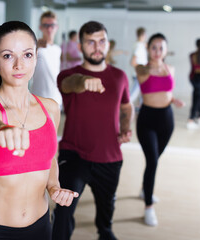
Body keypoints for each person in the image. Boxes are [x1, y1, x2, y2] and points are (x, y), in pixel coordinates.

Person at [0, 21, 78, 240]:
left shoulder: (50, 108)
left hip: (41, 228)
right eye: (8, 56)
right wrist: (1, 131)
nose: (19, 65)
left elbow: (50, 157)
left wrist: (54, 187)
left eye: (27, 55)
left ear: (36, 56)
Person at [52, 21, 133, 240]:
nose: (97, 47)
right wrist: (84, 80)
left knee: (106, 211)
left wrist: (125, 127)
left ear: (108, 44)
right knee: (63, 212)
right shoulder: (68, 75)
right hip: (74, 154)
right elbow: (69, 84)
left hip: (110, 157)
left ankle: (104, 231)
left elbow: (126, 105)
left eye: (101, 41)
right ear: (80, 47)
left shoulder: (119, 77)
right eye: (90, 42)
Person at [135, 33, 184, 226]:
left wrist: (173, 99)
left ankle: (144, 188)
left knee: (154, 159)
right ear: (148, 49)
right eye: (154, 47)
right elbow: (148, 85)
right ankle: (148, 207)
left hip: (167, 120)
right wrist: (152, 65)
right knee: (153, 161)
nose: (157, 51)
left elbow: (166, 91)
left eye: (161, 48)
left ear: (166, 50)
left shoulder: (170, 68)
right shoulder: (142, 69)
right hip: (147, 120)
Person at [30, 11, 62, 107]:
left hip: (56, 98)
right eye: (45, 25)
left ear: (57, 27)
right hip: (38, 98)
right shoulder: (34, 46)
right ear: (40, 27)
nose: (49, 28)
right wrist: (35, 48)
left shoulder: (58, 49)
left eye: (52, 25)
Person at [187, 38, 200, 129]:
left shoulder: (192, 55)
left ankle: (199, 116)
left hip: (193, 77)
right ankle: (191, 119)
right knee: (198, 98)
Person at [130, 27, 148, 108]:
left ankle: (140, 108)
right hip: (139, 74)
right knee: (133, 94)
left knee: (142, 93)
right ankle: (124, 107)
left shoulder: (138, 44)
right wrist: (142, 69)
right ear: (144, 35)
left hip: (140, 74)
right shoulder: (139, 46)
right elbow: (133, 62)